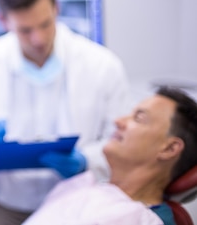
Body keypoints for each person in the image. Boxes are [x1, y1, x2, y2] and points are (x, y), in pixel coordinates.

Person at [0, 0, 132, 225]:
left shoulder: (103, 66)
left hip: (79, 204)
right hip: (7, 206)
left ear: (56, 7)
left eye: (45, 24)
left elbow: (123, 144)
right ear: (3, 20)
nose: (38, 40)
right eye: (25, 30)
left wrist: (87, 160)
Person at [23, 85, 197, 225]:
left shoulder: (141, 219)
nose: (118, 121)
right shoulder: (83, 186)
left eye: (139, 118)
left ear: (169, 149)